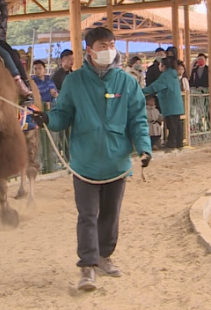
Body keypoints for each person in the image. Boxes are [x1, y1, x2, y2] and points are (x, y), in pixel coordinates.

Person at [32, 27, 152, 292]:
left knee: (110, 215)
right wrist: (49, 119)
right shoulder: (74, 82)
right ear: (89, 50)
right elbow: (63, 114)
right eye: (102, 45)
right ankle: (87, 266)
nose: (108, 49)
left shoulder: (127, 82)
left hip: (116, 162)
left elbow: (138, 120)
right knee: (87, 215)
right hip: (84, 163)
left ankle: (104, 256)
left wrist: (144, 148)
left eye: (111, 44)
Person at [143, 57, 185, 149]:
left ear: (163, 66)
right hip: (176, 103)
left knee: (172, 124)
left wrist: (141, 91)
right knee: (177, 123)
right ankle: (179, 142)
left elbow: (155, 86)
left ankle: (172, 142)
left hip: (169, 103)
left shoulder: (166, 76)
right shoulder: (173, 74)